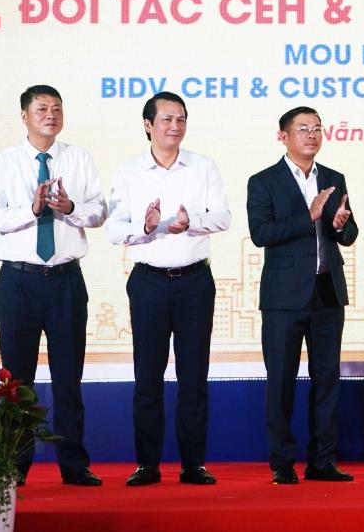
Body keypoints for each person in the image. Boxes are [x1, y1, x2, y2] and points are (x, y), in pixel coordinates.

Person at [0, 84, 106, 486]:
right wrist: (31, 210)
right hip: (19, 281)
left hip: (66, 281)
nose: (51, 115)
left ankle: (74, 465)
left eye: (56, 108)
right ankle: (14, 467)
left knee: (69, 378)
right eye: (42, 109)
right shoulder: (3, 163)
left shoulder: (79, 158)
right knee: (17, 381)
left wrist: (70, 208)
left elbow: (99, 212)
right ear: (24, 116)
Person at [106, 92, 231, 486]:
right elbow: (113, 229)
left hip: (195, 281)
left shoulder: (203, 166)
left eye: (181, 119)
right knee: (148, 377)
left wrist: (190, 222)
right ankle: (147, 464)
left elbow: (223, 217)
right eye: (166, 120)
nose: (175, 126)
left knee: (194, 376)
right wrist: (146, 227)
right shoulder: (130, 172)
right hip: (149, 282)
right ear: (148, 125)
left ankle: (194, 464)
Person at [247, 106, 358, 485]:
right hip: (283, 298)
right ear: (283, 136)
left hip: (328, 290)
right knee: (281, 381)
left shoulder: (334, 178)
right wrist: (308, 216)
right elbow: (261, 233)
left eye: (317, 128)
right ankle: (282, 462)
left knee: (327, 380)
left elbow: (349, 233)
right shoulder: (264, 181)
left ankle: (322, 461)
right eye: (303, 129)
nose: (312, 135)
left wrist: (340, 225)